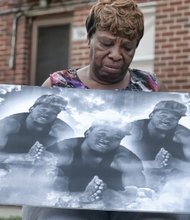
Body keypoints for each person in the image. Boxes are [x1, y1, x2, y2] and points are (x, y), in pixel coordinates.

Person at [22, 0, 168, 219]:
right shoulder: (58, 85)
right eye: (106, 44)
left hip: (123, 198)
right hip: (65, 198)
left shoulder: (151, 87)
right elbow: (32, 151)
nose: (116, 55)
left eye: (127, 47)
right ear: (89, 38)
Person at [124, 100, 190, 190]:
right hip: (137, 179)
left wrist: (173, 162)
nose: (167, 120)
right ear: (151, 115)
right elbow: (117, 164)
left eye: (174, 118)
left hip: (171, 182)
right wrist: (154, 164)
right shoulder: (133, 130)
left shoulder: (184, 136)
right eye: (163, 115)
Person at [0, 94, 74, 153]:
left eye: (53, 112)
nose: (47, 114)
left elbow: (64, 158)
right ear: (31, 109)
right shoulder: (8, 124)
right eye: (43, 109)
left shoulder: (60, 130)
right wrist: (21, 158)